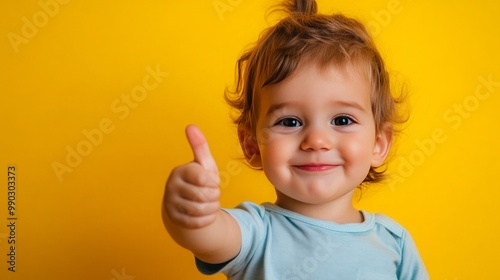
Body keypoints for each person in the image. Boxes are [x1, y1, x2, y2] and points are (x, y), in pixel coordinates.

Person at [162, 0, 429, 279]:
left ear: (378, 144)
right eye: (289, 122)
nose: (316, 140)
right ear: (252, 145)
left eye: (342, 120)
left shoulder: (394, 243)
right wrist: (190, 211)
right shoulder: (255, 233)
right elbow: (206, 234)